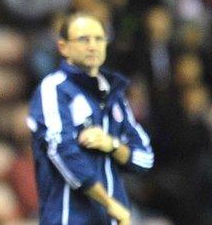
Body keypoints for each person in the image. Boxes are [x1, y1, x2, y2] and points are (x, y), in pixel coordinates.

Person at [27, 13, 154, 225]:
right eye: (84, 39)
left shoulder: (115, 97)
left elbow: (145, 158)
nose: (93, 46)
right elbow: (62, 151)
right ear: (63, 47)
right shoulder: (54, 89)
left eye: (99, 39)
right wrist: (110, 203)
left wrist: (112, 145)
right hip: (69, 218)